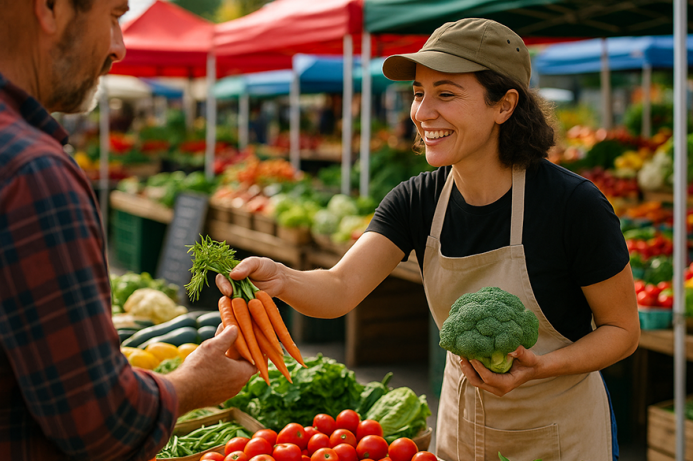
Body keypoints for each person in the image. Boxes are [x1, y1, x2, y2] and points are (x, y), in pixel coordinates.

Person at [218, 18, 640, 461]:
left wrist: (540, 367)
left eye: (446, 94)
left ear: (504, 105)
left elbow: (622, 331)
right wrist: (281, 278)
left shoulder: (572, 205)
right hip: (462, 432)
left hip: (562, 436)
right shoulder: (416, 200)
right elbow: (340, 288)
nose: (421, 113)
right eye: (419, 93)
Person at [0, 1, 257, 459]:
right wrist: (192, 383)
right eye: (114, 17)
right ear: (50, 9)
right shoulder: (34, 172)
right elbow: (101, 423)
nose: (119, 48)